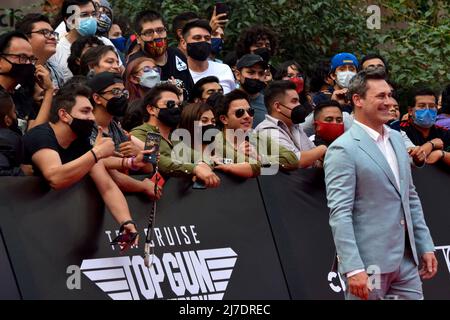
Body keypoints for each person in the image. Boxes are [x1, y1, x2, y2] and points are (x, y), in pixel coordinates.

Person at [324, 68, 437, 300]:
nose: (389, 102)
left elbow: (410, 197)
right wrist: (353, 268)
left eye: (389, 95)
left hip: (406, 261)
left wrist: (424, 245)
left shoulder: (397, 138)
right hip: (368, 265)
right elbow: (340, 213)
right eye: (381, 96)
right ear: (357, 100)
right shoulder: (343, 148)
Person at [23, 84, 148, 246]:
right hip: (21, 220)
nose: (92, 118)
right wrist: (96, 153)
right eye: (85, 111)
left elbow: (107, 186)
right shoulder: (41, 135)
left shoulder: (79, 140)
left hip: (52, 223)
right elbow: (55, 178)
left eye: (91, 111)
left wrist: (126, 222)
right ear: (64, 115)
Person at [131, 83, 220, 187]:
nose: (176, 108)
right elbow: (162, 163)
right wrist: (195, 169)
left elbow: (200, 158)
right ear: (151, 109)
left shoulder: (174, 137)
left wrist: (201, 165)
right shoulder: (146, 134)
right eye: (170, 104)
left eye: (178, 105)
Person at [255, 81, 327, 168]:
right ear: (278, 107)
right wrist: (322, 149)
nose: (299, 105)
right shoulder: (266, 131)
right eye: (294, 101)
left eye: (298, 101)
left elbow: (315, 159)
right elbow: (293, 160)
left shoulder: (295, 126)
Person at [128, 10, 194, 100]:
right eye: (148, 32)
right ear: (138, 38)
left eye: (160, 30)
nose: (156, 36)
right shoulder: (136, 64)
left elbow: (191, 91)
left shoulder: (177, 54)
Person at [181, 19, 235, 94]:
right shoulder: (178, 74)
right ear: (184, 43)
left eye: (207, 38)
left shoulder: (224, 70)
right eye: (197, 38)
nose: (203, 41)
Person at [400, 87, 450, 166]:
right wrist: (431, 144)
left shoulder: (444, 132)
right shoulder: (401, 131)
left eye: (431, 106)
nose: (427, 110)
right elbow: (409, 159)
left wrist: (441, 154)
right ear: (410, 111)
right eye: (422, 106)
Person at [234, 54, 268, 127]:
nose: (256, 77)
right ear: (238, 75)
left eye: (261, 73)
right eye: (251, 72)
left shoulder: (269, 104)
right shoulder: (225, 102)